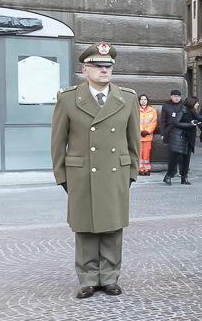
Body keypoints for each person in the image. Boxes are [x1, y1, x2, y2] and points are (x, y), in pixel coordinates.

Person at [50, 42, 139, 299]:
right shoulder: (68, 98)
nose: (104, 70)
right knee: (85, 226)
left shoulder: (127, 98)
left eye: (108, 66)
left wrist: (131, 173)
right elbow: (58, 142)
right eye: (98, 66)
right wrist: (62, 176)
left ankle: (109, 277)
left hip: (115, 172)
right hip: (82, 173)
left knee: (112, 226)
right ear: (84, 70)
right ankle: (88, 278)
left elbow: (133, 141)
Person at [163, 96, 200, 186]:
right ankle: (168, 175)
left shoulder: (193, 112)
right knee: (178, 157)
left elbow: (200, 119)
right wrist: (190, 124)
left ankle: (184, 177)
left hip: (189, 137)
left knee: (187, 158)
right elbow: (176, 123)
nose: (198, 104)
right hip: (180, 137)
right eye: (196, 103)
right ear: (192, 103)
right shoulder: (182, 110)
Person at [160, 90, 186, 178]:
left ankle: (183, 171)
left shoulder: (184, 105)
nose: (176, 98)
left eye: (178, 96)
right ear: (171, 96)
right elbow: (163, 120)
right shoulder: (166, 106)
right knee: (172, 153)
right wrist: (162, 133)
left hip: (182, 131)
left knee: (182, 153)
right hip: (171, 131)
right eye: (175, 96)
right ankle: (172, 171)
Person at [138, 94, 157, 176]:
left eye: (144, 99)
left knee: (146, 153)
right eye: (141, 99)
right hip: (139, 136)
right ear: (139, 101)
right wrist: (141, 130)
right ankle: (140, 169)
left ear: (147, 101)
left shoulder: (153, 110)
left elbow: (154, 122)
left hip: (148, 137)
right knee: (139, 153)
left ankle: (146, 169)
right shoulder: (136, 110)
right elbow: (135, 121)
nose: (143, 101)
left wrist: (147, 131)